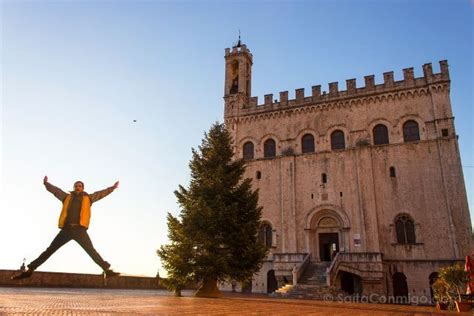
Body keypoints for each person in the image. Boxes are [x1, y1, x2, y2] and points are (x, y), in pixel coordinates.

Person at [12, 176, 120, 280]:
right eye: (76, 186)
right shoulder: (66, 197)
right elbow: (56, 191)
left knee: (91, 251)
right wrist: (46, 184)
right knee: (50, 250)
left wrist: (112, 188)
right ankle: (30, 270)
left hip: (80, 230)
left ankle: (107, 270)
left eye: (80, 186)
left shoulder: (89, 198)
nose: (78, 187)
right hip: (67, 230)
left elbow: (101, 194)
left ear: (83, 188)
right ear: (74, 188)